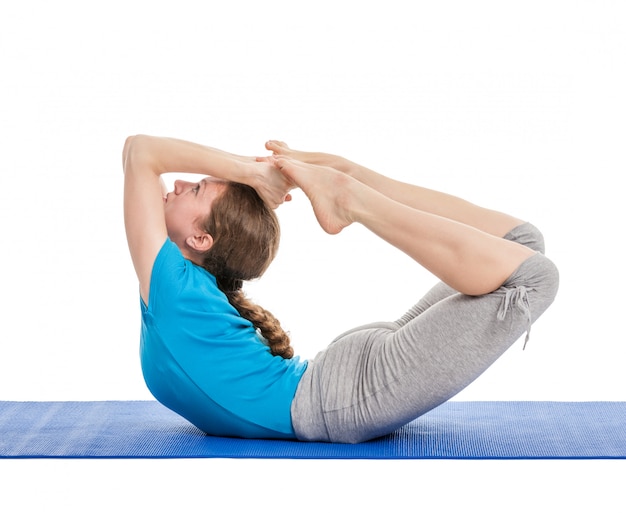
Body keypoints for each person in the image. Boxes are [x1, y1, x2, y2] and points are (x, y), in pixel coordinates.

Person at [123, 135, 559, 443]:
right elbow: (141, 153)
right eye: (196, 184)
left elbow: (141, 155)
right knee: (528, 261)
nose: (177, 183)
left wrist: (248, 175)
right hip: (345, 390)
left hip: (344, 391)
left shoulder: (176, 285)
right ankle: (351, 184)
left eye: (194, 186)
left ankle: (352, 191)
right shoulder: (175, 285)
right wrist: (248, 171)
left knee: (529, 264)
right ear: (200, 241)